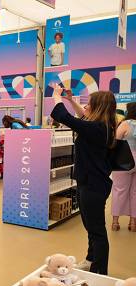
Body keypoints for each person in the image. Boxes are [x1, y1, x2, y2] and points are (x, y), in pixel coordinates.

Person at [50, 85, 116, 275]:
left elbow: (65, 117)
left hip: (93, 185)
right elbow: (82, 119)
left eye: (89, 105)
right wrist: (70, 100)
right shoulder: (100, 126)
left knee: (97, 231)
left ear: (98, 107)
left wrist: (57, 97)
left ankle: (100, 270)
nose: (85, 107)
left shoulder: (97, 128)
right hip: (90, 181)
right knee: (91, 225)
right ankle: (90, 259)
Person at [111, 102, 136, 232]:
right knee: (135, 192)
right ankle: (133, 223)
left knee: (119, 190)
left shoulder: (126, 124)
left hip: (125, 160)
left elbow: (116, 140)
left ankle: (115, 222)